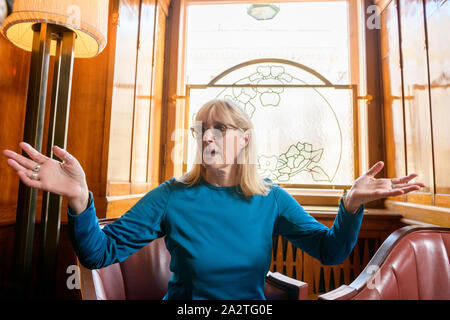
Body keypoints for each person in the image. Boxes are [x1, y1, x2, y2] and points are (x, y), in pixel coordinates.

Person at [3, 99, 425, 300]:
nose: (207, 136)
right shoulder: (172, 197)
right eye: (201, 128)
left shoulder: (271, 198)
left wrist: (350, 204)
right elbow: (100, 254)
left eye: (220, 129)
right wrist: (80, 197)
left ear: (243, 140)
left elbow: (331, 252)